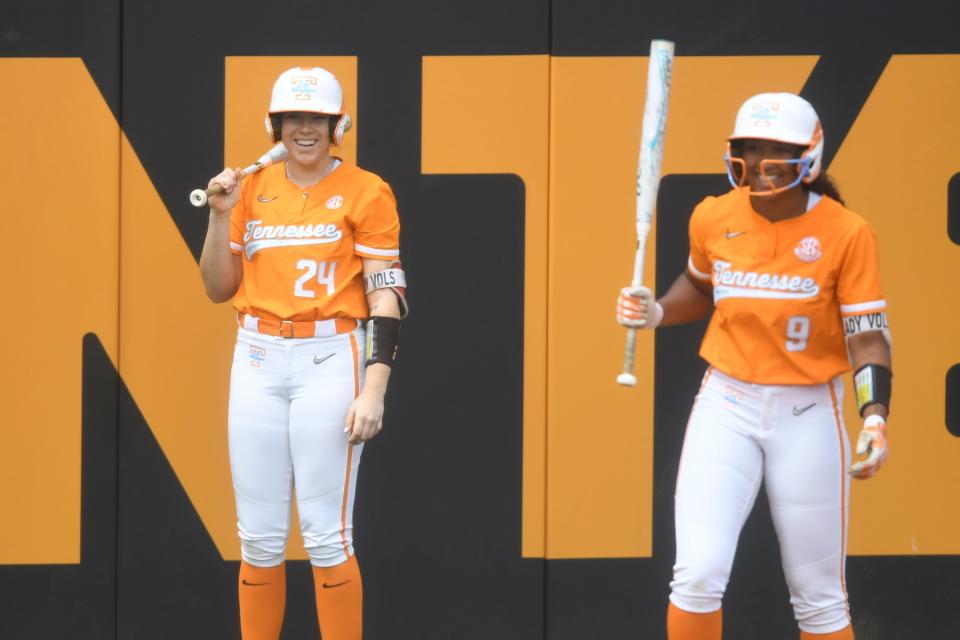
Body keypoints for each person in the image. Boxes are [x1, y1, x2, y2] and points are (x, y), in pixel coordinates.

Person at [616, 93, 892, 640]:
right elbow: (700, 288)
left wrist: (876, 417)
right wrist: (658, 312)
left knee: (819, 599)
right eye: (750, 148)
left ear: (810, 156)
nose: (761, 163)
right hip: (726, 401)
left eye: (777, 151)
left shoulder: (847, 232)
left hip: (808, 410)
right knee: (696, 575)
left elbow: (867, 338)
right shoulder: (714, 215)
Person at [199, 66, 406, 640]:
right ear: (276, 124)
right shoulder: (250, 188)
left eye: (317, 117)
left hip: (328, 356)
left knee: (325, 533)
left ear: (337, 124)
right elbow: (218, 287)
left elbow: (385, 293)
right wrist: (220, 215)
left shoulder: (368, 189)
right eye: (295, 117)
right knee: (259, 537)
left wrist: (374, 386)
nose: (306, 129)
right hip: (257, 354)